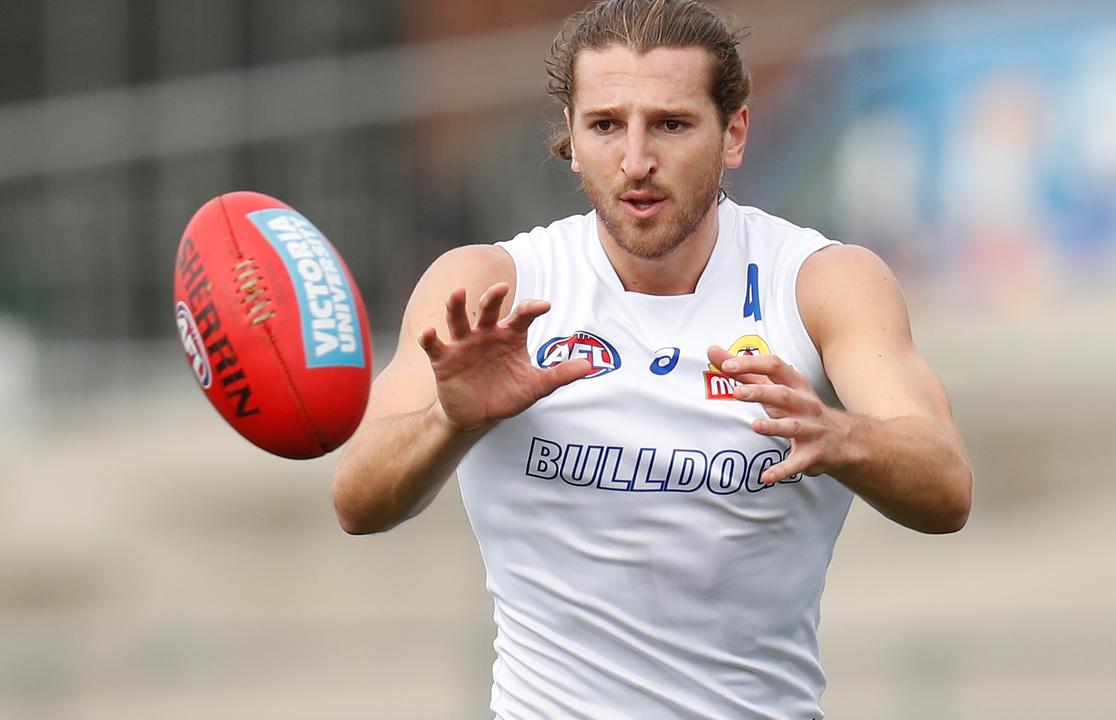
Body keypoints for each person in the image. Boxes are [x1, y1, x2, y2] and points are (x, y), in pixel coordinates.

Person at [332, 0, 972, 717]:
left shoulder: (819, 282)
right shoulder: (488, 288)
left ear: (734, 134)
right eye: (606, 126)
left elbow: (947, 484)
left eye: (670, 124)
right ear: (570, 140)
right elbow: (357, 501)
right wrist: (450, 423)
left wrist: (840, 435)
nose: (636, 161)